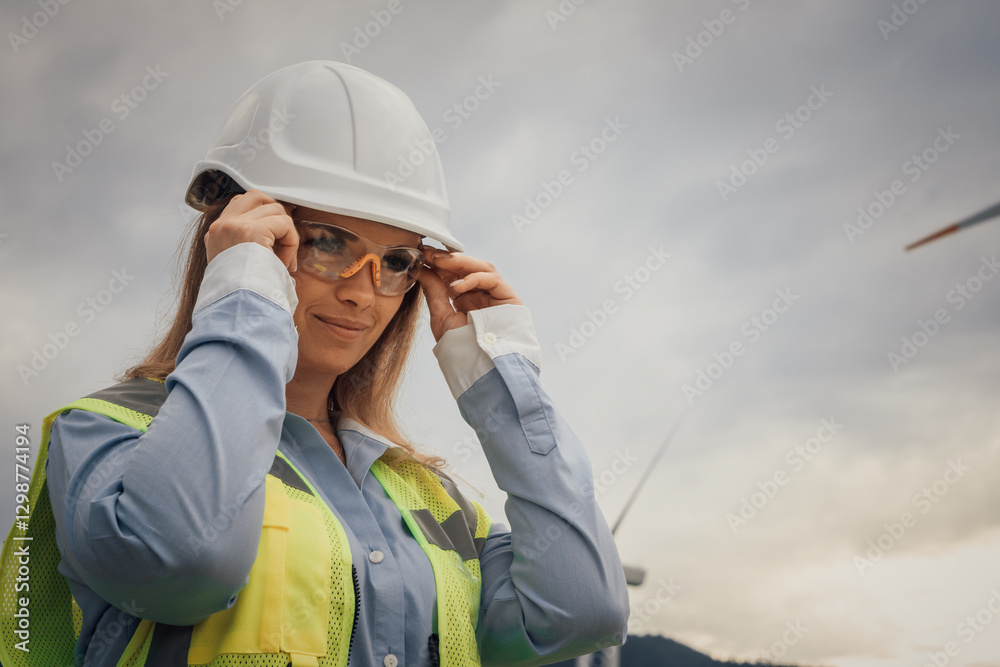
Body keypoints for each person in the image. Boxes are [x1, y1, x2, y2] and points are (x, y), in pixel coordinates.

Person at [0, 61, 628, 666]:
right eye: (328, 243)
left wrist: (498, 378)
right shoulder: (108, 432)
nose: (362, 291)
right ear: (243, 238)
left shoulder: (430, 501)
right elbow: (177, 561)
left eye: (397, 261)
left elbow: (580, 614)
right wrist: (246, 295)